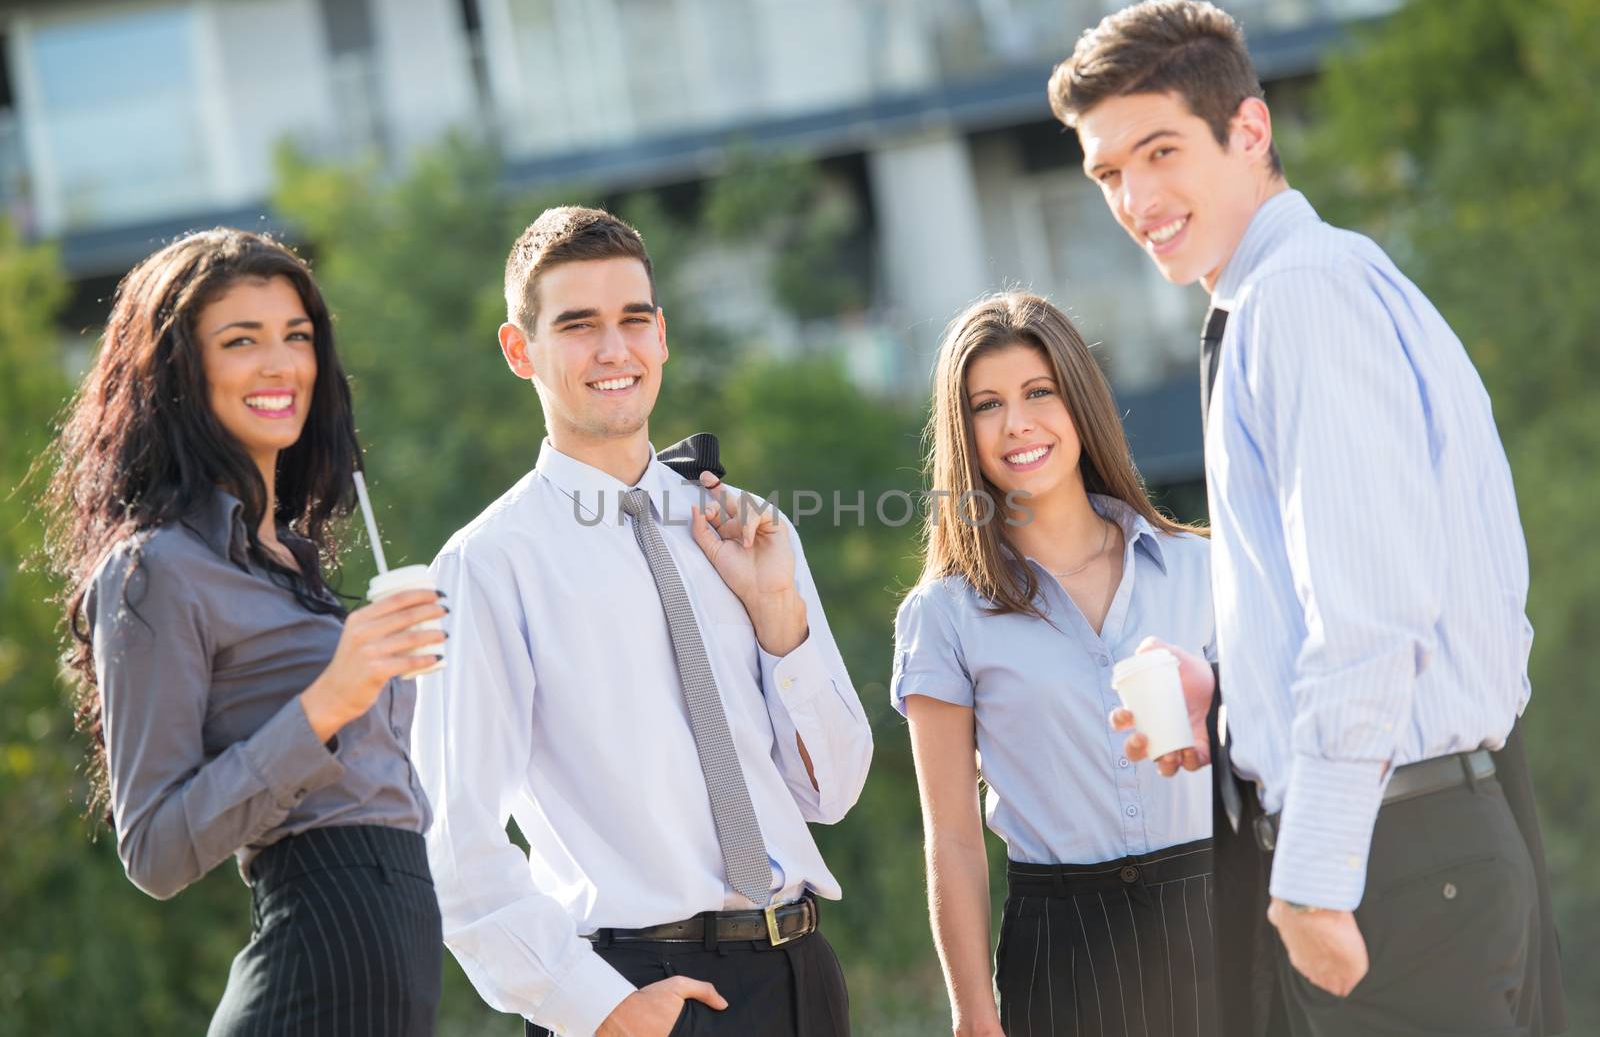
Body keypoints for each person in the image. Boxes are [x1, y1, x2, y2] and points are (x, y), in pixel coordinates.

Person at [1048, 0, 1566, 1036]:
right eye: (1109, 173)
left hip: (1388, 854)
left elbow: (1372, 610)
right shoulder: (1307, 289)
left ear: (1249, 129)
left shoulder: (1299, 301)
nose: (1136, 198)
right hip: (1415, 839)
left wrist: (1317, 875)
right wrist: (1231, 691)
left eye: (1159, 152)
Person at [410, 206, 872, 1037]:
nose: (613, 350)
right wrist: (592, 1006)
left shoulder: (749, 528)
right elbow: (451, 833)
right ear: (522, 351)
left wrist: (779, 616)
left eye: (632, 321)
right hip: (632, 991)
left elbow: (832, 792)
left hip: (800, 977)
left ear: (662, 335)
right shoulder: (489, 565)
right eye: (578, 325)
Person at [44, 229, 449, 1035]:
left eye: (297, 337)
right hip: (314, 959)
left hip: (395, 957)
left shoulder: (292, 566)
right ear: (178, 375)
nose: (281, 365)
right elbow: (155, 850)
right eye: (242, 341)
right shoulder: (157, 568)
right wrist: (326, 704)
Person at [893, 292, 1218, 1037]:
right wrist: (973, 1010)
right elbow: (952, 838)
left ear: (1080, 402)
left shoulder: (1202, 571)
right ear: (962, 431)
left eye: (1039, 392)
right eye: (986, 404)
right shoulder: (945, 615)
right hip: (1064, 945)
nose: (1017, 424)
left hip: (1223, 910)